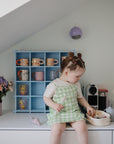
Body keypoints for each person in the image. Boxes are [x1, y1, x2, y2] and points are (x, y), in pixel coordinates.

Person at [43, 52, 95, 144]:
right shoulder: (54, 84)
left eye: (80, 76)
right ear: (66, 72)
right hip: (59, 113)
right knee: (56, 130)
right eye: (77, 76)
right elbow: (46, 98)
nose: (79, 79)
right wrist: (54, 105)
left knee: (82, 127)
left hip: (73, 112)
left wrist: (88, 106)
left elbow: (80, 98)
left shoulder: (76, 84)